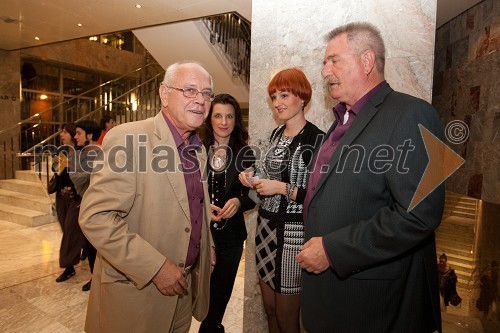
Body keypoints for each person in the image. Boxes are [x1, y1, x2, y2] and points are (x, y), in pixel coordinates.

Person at [296, 22, 445, 332]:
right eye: (325, 62)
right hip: (329, 299)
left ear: (366, 61)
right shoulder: (339, 122)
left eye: (333, 60)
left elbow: (420, 215)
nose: (325, 72)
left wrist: (333, 250)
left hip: (373, 307)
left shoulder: (413, 114)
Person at [78, 61, 216, 332]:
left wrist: (205, 246)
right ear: (164, 94)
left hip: (183, 292)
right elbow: (96, 217)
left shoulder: (197, 149)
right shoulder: (129, 139)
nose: (201, 100)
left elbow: (193, 207)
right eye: (189, 90)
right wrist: (155, 268)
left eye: (207, 93)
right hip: (137, 295)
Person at [239, 68, 324, 333]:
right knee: (271, 311)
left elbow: (319, 196)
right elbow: (269, 176)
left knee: (288, 320)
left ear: (302, 97)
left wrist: (281, 187)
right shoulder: (276, 135)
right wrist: (253, 177)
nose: (277, 103)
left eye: (284, 95)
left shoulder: (316, 139)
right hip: (265, 230)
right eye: (274, 96)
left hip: (293, 236)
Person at [198, 94, 256, 333]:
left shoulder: (245, 153)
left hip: (230, 240)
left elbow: (251, 197)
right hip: (200, 235)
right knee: (196, 298)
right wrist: (203, 207)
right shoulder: (196, 149)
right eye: (218, 115)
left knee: (218, 299)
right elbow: (185, 192)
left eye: (229, 116)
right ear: (209, 119)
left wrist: (238, 202)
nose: (224, 122)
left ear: (236, 120)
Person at [52, 123, 87, 283]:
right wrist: (57, 164)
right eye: (61, 132)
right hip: (61, 197)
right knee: (67, 229)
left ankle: (68, 266)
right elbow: (57, 173)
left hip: (75, 199)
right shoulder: (62, 151)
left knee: (70, 232)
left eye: (65, 132)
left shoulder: (82, 152)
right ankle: (83, 251)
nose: (62, 134)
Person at [71, 119, 101, 292]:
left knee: (98, 246)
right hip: (86, 204)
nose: (76, 137)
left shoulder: (101, 153)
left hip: (99, 207)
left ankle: (98, 278)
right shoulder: (81, 155)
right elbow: (76, 178)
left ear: (90, 135)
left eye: (79, 133)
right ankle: (94, 276)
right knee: (90, 246)